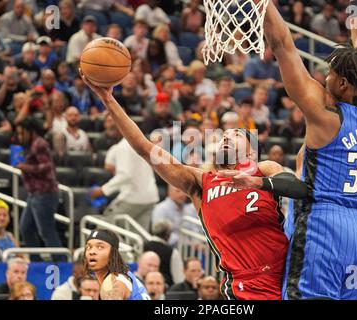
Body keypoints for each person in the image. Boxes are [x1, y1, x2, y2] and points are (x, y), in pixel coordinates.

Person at [81, 53, 308, 300]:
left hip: (290, 275)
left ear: (251, 150)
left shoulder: (263, 168)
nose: (226, 138)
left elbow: (297, 186)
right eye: (223, 136)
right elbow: (146, 149)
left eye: (235, 135)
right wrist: (108, 99)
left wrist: (256, 182)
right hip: (246, 286)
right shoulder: (202, 182)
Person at [260, 0, 357, 299]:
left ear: (344, 84)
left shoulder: (327, 117)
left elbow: (283, 45)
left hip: (323, 226)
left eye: (331, 73)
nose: (325, 77)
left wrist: (263, 5)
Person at [16, 117, 63, 258]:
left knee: (46, 231)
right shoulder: (30, 144)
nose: (20, 136)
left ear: (30, 131)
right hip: (34, 194)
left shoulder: (39, 144)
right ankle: (36, 262)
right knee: (26, 228)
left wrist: (25, 167)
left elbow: (47, 166)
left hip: (45, 193)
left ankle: (60, 263)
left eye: (21, 133)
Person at [89, 137, 159, 231]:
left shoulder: (122, 147)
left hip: (134, 197)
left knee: (103, 230)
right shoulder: (137, 142)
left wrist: (103, 190)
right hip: (151, 197)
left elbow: (125, 175)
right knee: (138, 237)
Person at [83, 229, 150, 300]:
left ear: (113, 253)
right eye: (89, 247)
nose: (92, 251)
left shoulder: (112, 284)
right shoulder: (123, 276)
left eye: (100, 247)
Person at [144, 219, 185, 286]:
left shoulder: (142, 246)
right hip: (167, 290)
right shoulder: (172, 252)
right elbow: (178, 279)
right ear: (167, 235)